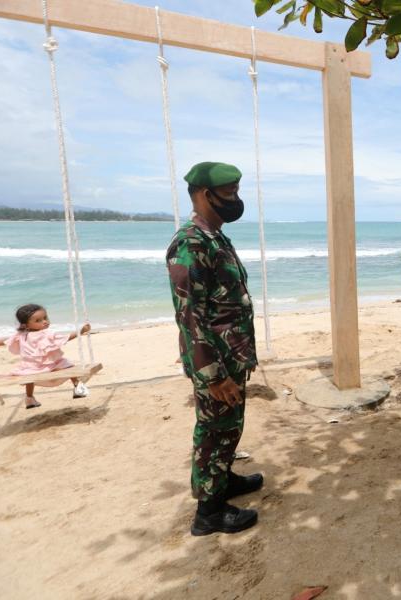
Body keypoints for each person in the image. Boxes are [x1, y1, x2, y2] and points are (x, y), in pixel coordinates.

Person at [166, 161, 263, 536]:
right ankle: (208, 512)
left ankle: (223, 481)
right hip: (217, 362)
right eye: (230, 193)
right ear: (205, 194)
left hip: (232, 354)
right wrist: (213, 375)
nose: (236, 200)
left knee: (228, 426)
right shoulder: (190, 243)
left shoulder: (215, 236)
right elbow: (189, 318)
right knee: (213, 430)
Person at [0, 303, 90, 409]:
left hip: (32, 368)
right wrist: (81, 331)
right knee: (67, 365)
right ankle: (77, 388)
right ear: (25, 325)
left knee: (29, 375)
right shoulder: (42, 334)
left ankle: (29, 399)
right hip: (47, 366)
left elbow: (4, 341)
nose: (44, 321)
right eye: (38, 320)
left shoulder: (22, 335)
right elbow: (66, 337)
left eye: (45, 318)